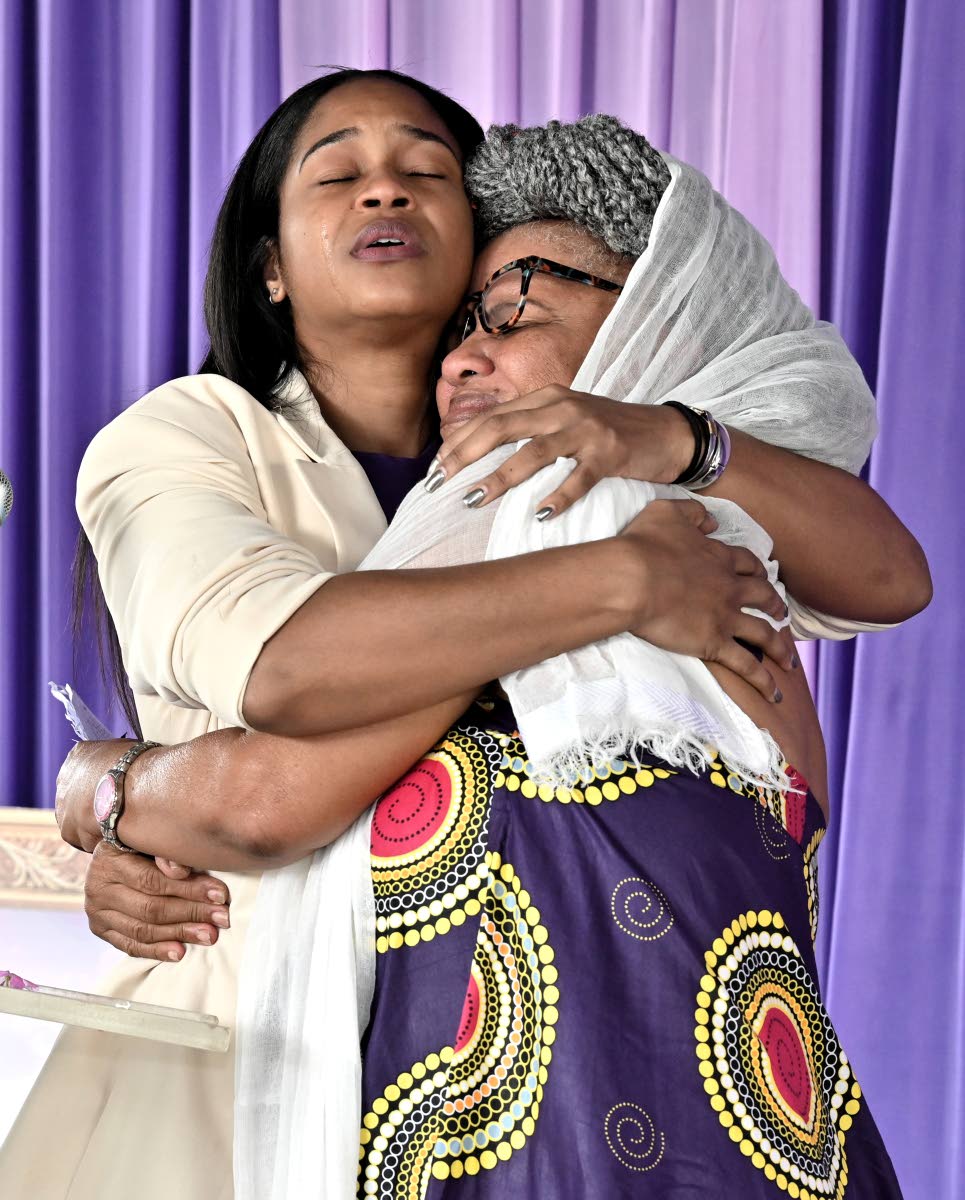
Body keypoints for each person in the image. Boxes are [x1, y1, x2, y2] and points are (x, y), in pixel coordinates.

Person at [2, 81, 925, 1199]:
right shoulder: (193, 436)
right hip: (237, 1062)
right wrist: (101, 786)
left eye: (428, 171)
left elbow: (888, 578)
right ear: (269, 266)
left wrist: (124, 788)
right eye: (335, 173)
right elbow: (280, 664)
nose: (384, 186)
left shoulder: (652, 505)